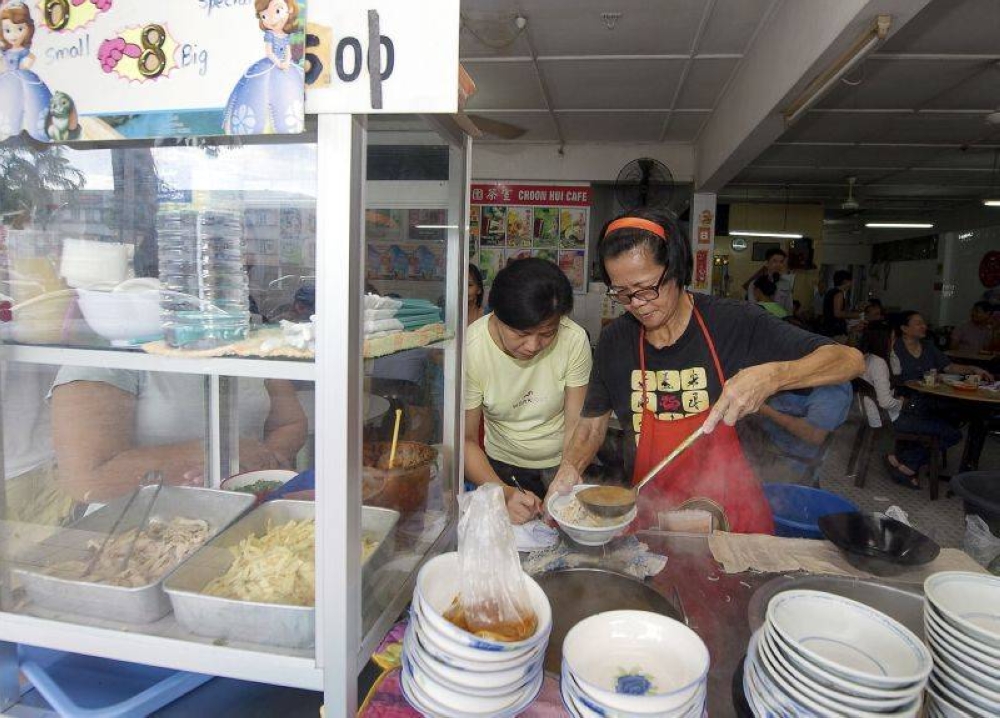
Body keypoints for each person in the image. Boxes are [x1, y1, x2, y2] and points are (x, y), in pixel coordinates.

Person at [550, 209, 864, 534]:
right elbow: (590, 426)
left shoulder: (734, 322)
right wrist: (570, 468)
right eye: (622, 293)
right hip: (652, 511)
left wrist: (773, 375)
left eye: (645, 288)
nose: (637, 303)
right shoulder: (617, 340)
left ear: (675, 270)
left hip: (728, 515)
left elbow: (849, 360)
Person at [464, 258, 591, 524]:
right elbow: (465, 441)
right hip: (499, 468)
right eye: (521, 333)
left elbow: (575, 423)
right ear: (496, 314)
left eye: (547, 333)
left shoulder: (573, 339)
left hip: (561, 463)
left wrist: (567, 471)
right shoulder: (472, 349)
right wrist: (503, 492)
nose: (533, 345)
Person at [51, 370, 307, 503]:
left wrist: (264, 464)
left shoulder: (245, 334)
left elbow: (289, 423)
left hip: (245, 510)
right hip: (145, 528)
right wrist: (221, 452)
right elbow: (86, 479)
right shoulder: (104, 355)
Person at [858, 323, 960, 489]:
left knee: (926, 411)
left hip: (877, 416)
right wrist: (902, 403)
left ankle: (899, 458)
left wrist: (890, 353)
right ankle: (908, 464)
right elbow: (884, 401)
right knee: (951, 432)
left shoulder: (868, 358)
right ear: (884, 340)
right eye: (892, 339)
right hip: (889, 418)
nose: (895, 341)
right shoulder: (879, 364)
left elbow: (897, 371)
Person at [222, 0, 305, 135]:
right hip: (271, 64)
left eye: (277, 11)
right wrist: (279, 63)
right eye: (264, 16)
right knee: (259, 90)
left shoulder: (286, 35)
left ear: (289, 9)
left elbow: (288, 50)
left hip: (286, 65)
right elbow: (269, 52)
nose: (271, 19)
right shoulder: (269, 35)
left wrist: (287, 62)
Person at [892, 311, 992, 384]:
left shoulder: (928, 346)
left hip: (930, 394)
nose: (924, 327)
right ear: (904, 328)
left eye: (924, 323)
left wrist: (974, 369)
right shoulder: (894, 348)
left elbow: (949, 367)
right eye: (919, 324)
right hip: (904, 397)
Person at [0, 1, 52, 142]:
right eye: (8, 30)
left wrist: (24, 64)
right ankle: (8, 128)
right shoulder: (5, 52)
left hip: (23, 77)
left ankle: (32, 128)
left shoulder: (23, 51)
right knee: (9, 101)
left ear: (28, 29)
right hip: (6, 81)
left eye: (20, 29)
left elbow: (30, 58)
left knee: (30, 101)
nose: (14, 35)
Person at [742, 247, 791, 313]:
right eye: (774, 261)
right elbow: (752, 307)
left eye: (781, 262)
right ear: (767, 263)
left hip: (779, 321)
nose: (778, 265)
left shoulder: (786, 284)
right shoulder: (755, 283)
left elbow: (788, 308)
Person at [821, 270, 859, 339]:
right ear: (845, 281)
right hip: (835, 330)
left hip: (828, 327)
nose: (851, 284)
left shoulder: (830, 292)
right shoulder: (838, 293)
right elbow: (837, 313)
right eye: (850, 281)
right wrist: (857, 315)